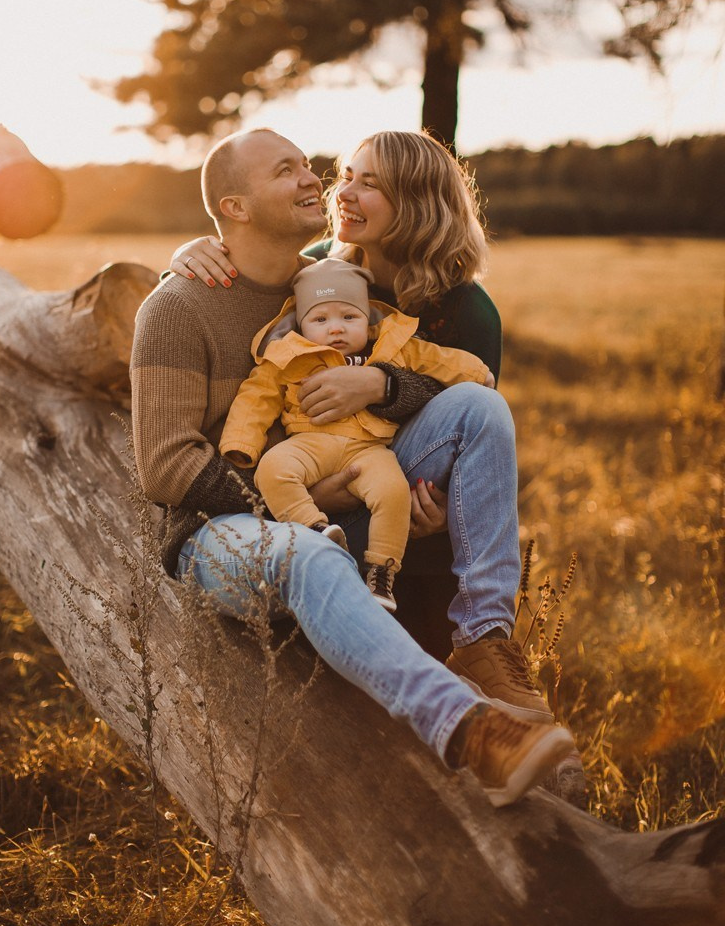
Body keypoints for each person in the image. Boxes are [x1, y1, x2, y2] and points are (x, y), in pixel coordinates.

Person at [132, 126, 575, 807]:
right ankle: (470, 729)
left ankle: (485, 640)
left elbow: (448, 381)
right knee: (309, 554)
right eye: (291, 171)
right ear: (235, 208)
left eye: (313, 167)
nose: (319, 181)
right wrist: (308, 498)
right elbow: (165, 471)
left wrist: (382, 389)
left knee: (481, 410)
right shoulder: (181, 302)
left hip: (364, 490)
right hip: (222, 527)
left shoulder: (319, 286)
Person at [220, 257, 493, 610]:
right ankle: (315, 530)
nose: (336, 329)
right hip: (309, 443)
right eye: (320, 319)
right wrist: (241, 443)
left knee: (393, 492)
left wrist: (476, 372)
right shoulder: (288, 355)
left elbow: (438, 359)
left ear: (368, 318)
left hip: (369, 448)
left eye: (349, 317)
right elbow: (256, 398)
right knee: (272, 469)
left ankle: (382, 573)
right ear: (301, 324)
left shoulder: (392, 347)